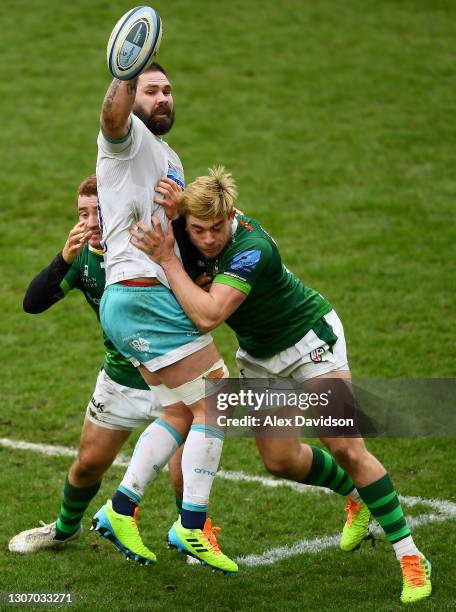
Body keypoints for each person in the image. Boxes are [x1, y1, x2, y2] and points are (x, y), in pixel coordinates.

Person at [130, 166, 432, 604]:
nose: (209, 238)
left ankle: (410, 556)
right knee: (281, 460)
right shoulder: (187, 221)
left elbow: (210, 315)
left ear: (231, 215)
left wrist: (170, 259)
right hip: (259, 356)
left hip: (308, 342)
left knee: (347, 447)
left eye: (218, 228)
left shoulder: (252, 249)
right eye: (199, 229)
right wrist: (176, 217)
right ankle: (356, 497)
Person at [92, 58, 236, 573]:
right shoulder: (126, 136)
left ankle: (121, 509)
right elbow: (110, 118)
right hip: (141, 294)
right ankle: (192, 525)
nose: (162, 98)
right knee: (218, 401)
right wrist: (125, 72)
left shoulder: (167, 154)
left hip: (133, 299)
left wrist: (177, 213)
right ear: (134, 96)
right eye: (151, 90)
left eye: (168, 91)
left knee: (179, 411)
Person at [8, 175, 163, 555]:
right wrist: (63, 259)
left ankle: (193, 535)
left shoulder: (153, 246)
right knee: (88, 464)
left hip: (172, 379)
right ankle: (64, 530)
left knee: (182, 475)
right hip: (119, 378)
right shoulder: (82, 260)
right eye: (83, 214)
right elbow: (33, 303)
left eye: (100, 211)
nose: (91, 222)